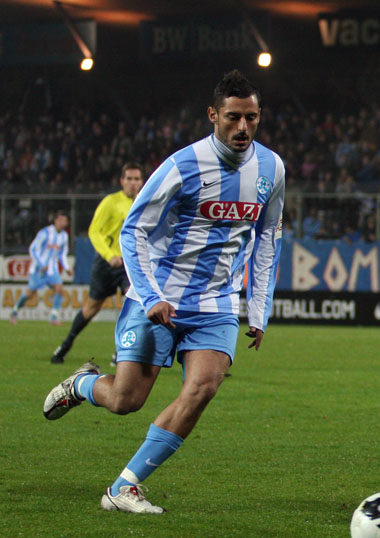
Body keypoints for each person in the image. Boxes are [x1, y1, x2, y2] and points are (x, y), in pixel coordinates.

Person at [42, 70, 285, 514]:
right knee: (126, 400)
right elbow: (133, 229)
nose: (243, 127)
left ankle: (124, 487)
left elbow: (268, 238)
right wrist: (151, 296)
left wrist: (259, 307)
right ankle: (83, 384)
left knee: (203, 387)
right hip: (159, 298)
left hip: (216, 304)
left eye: (251, 117)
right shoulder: (181, 166)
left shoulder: (272, 168)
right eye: (233, 117)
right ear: (213, 115)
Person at [51, 162, 144, 365]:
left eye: (137, 178)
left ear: (142, 181)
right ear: (122, 181)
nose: (133, 183)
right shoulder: (111, 202)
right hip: (107, 263)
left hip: (130, 265)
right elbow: (94, 231)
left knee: (134, 303)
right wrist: (109, 255)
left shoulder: (145, 203)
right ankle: (65, 346)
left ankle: (121, 352)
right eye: (129, 178)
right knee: (91, 307)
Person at [10, 211, 71, 325]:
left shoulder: (64, 236)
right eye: (61, 220)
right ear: (55, 221)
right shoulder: (44, 233)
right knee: (30, 293)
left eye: (65, 221)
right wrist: (41, 264)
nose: (63, 223)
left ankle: (53, 317)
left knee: (59, 289)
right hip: (38, 269)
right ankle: (14, 311)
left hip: (52, 269)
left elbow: (62, 254)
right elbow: (33, 249)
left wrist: (67, 268)